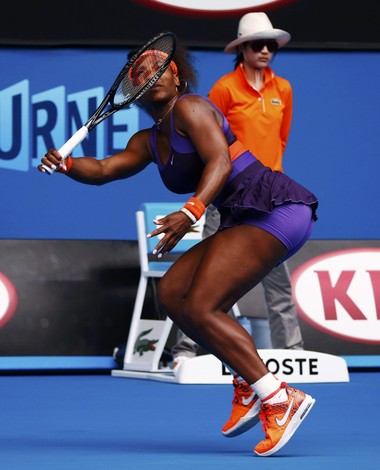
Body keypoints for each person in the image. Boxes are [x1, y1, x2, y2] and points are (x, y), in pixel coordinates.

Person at [38, 39, 318, 457]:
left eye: (158, 66)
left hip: (275, 208)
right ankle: (246, 379)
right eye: (139, 69)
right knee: (173, 293)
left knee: (202, 305)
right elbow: (103, 169)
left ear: (176, 75)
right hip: (242, 217)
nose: (149, 72)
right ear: (133, 86)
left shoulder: (192, 107)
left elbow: (220, 161)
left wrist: (190, 211)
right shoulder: (148, 141)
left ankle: (278, 397)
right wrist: (68, 165)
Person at [171, 12, 304, 372]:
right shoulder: (224, 89)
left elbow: (280, 140)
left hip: (271, 198)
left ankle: (292, 350)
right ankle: (185, 350)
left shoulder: (284, 89)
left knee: (279, 281)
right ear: (242, 49)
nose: (265, 50)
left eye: (270, 45)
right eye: (257, 44)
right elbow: (208, 145)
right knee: (205, 274)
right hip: (228, 197)